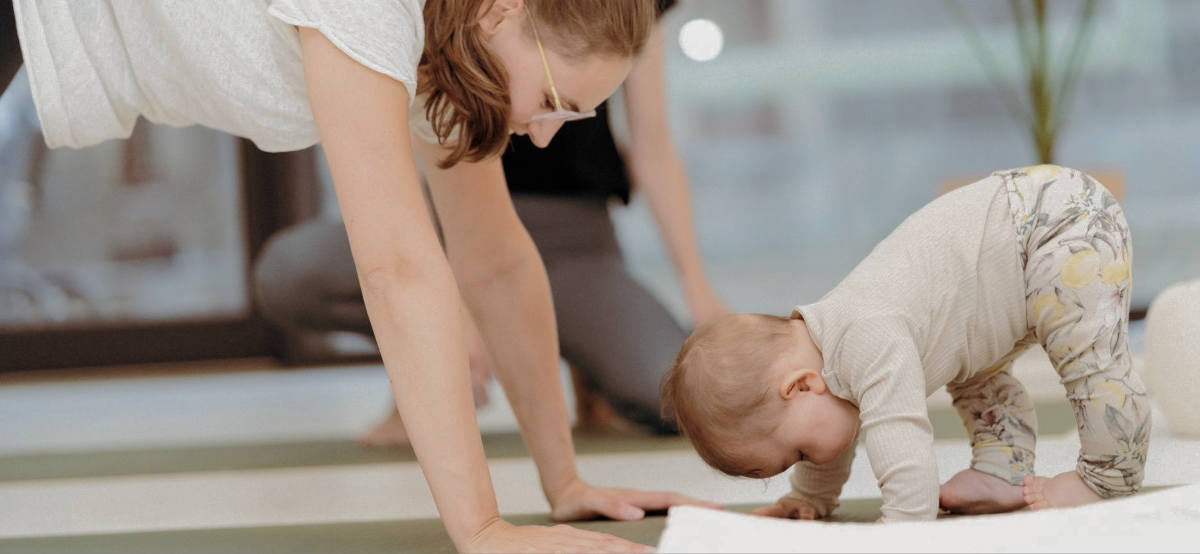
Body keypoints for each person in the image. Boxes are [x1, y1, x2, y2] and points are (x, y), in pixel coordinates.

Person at [5, 0, 717, 551]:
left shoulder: (449, 54)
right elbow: (397, 266)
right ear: (502, 12)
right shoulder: (375, 11)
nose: (544, 133)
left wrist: (563, 482)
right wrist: (483, 530)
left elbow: (495, 260)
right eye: (555, 100)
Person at [253, 0, 730, 447]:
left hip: (572, 240)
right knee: (292, 273)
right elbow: (411, 146)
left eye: (566, 109)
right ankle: (423, 371)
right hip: (446, 226)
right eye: (550, 101)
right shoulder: (450, 24)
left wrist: (698, 287)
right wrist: (448, 310)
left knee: (679, 400)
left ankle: (581, 353)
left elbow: (653, 147)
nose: (542, 134)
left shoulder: (636, 13)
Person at [661, 165, 1150, 522]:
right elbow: (830, 431)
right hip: (1005, 278)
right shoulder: (826, 360)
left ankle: (1106, 479)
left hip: (1057, 224)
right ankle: (1003, 471)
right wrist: (808, 498)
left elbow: (903, 443)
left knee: (1088, 362)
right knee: (975, 380)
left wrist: (905, 522)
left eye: (801, 455)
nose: (814, 460)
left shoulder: (864, 340)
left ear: (802, 385)